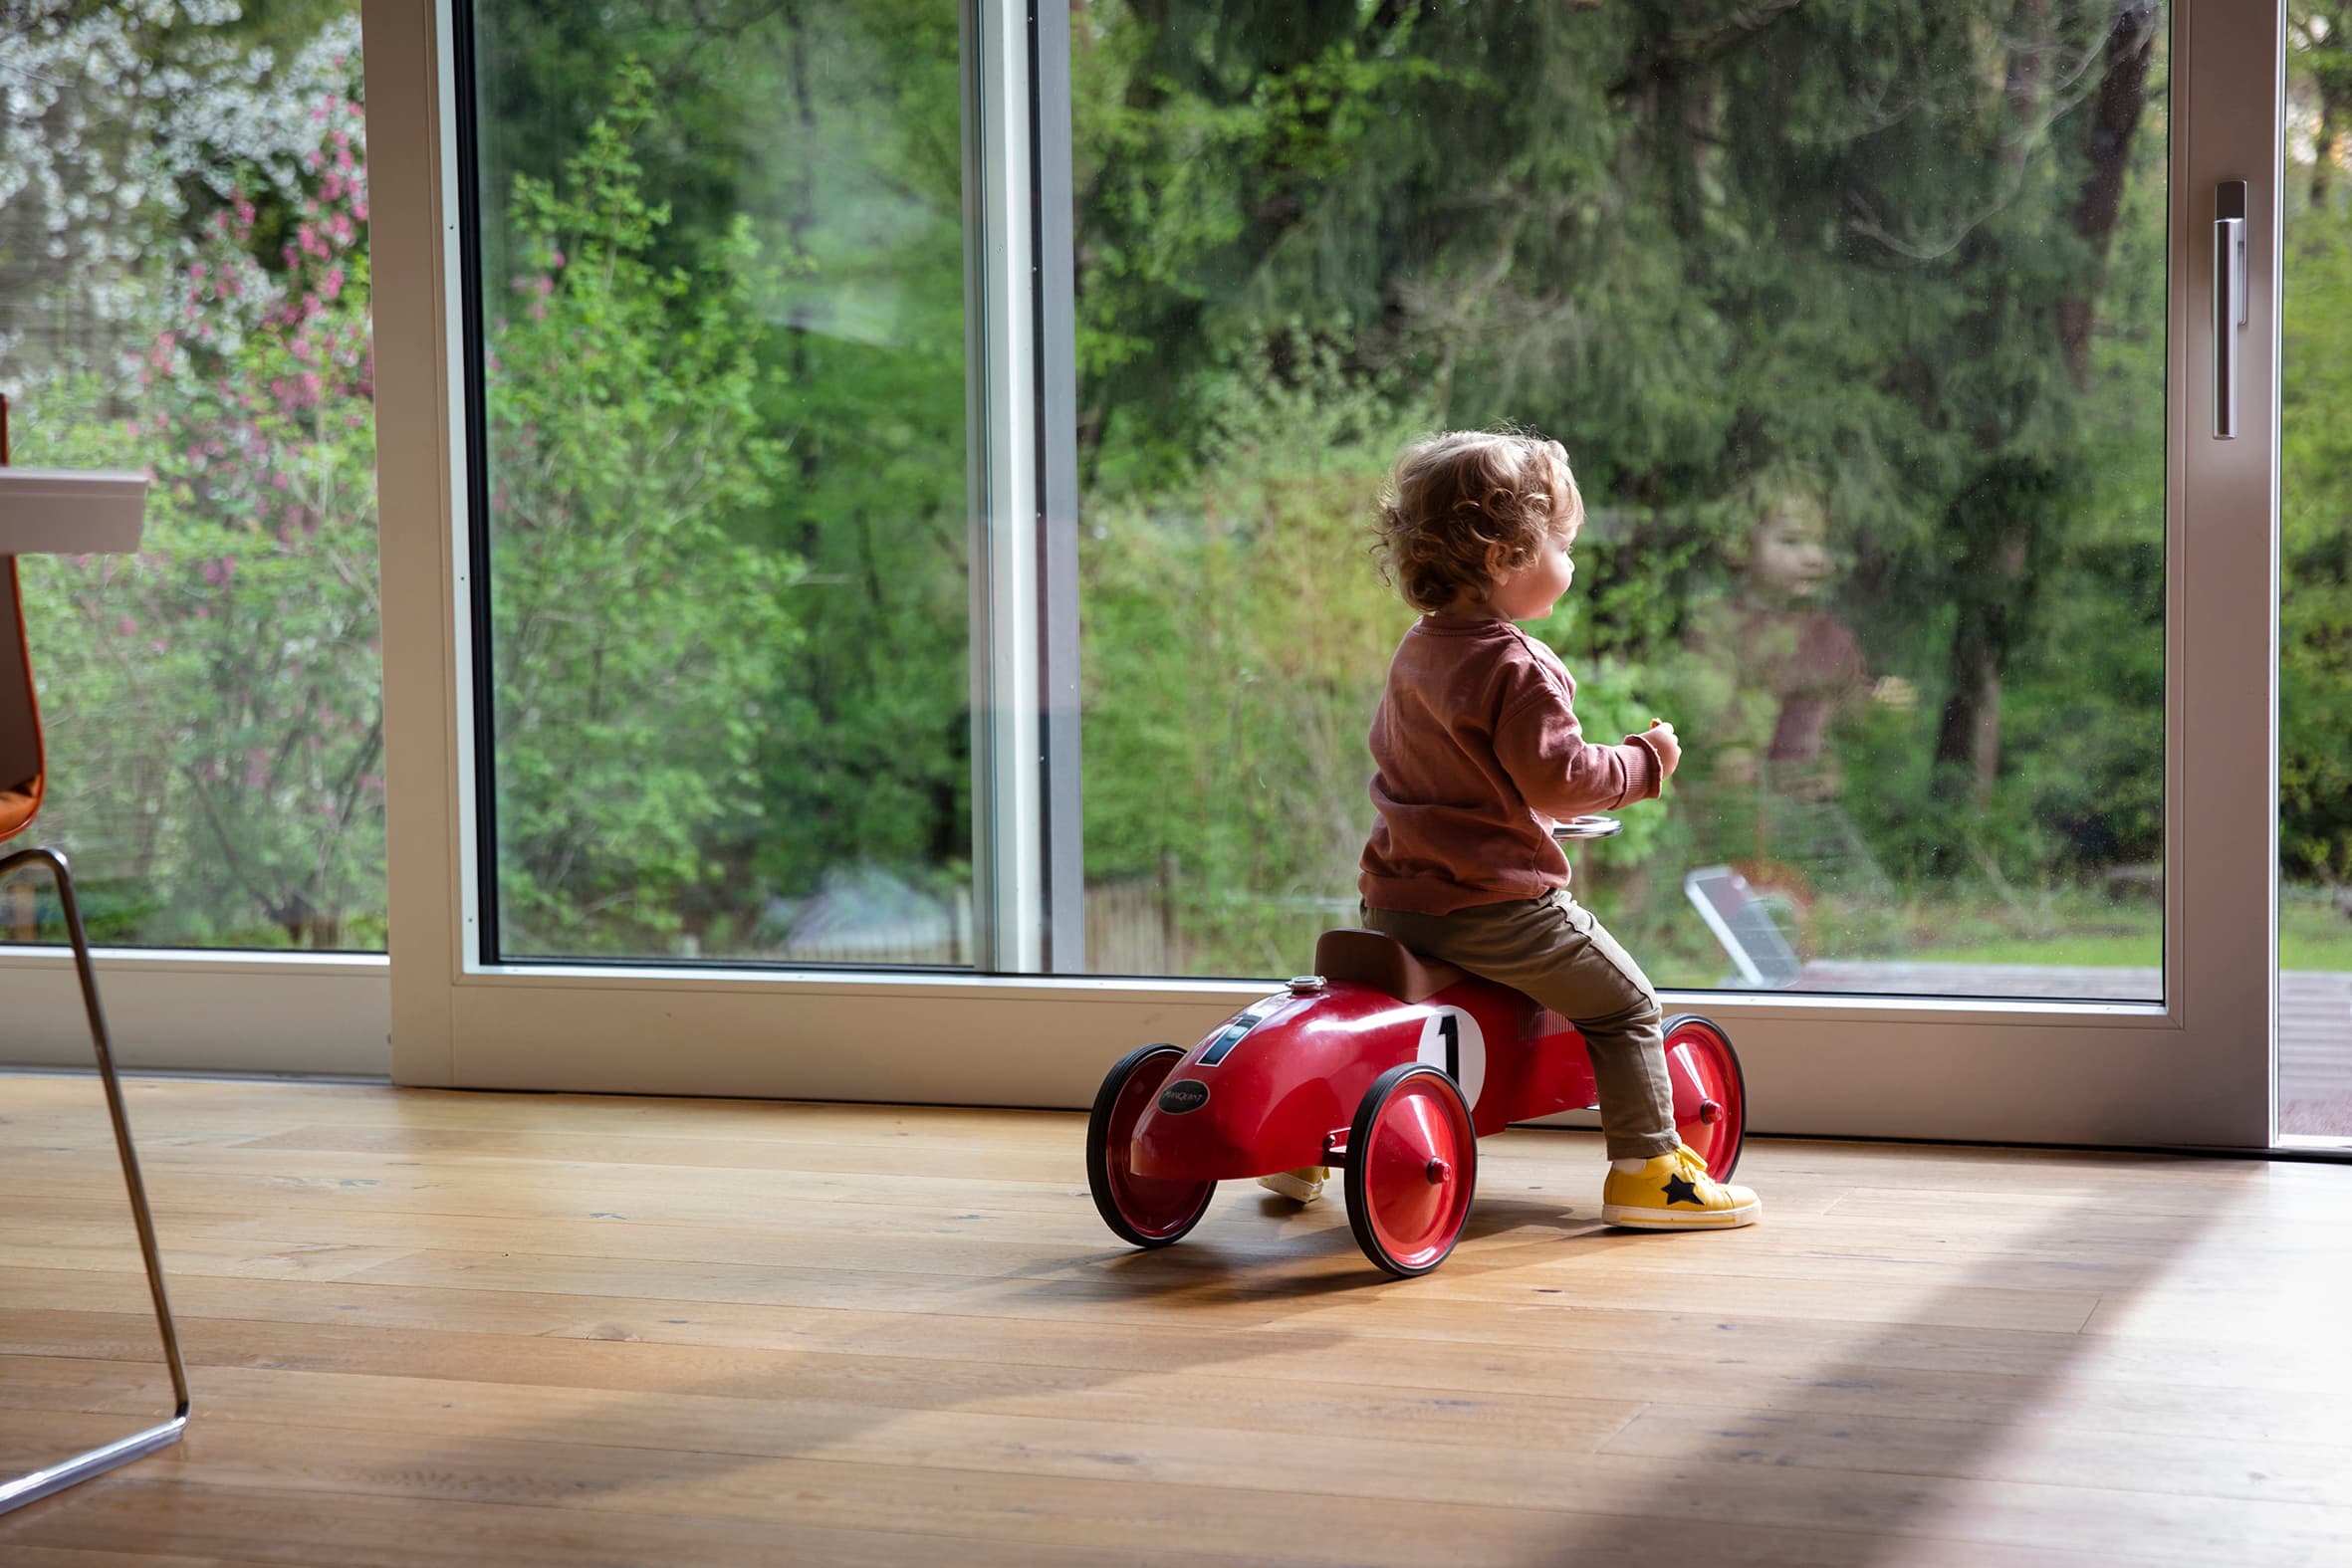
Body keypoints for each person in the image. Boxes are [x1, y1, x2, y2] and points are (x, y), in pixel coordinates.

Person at [1258, 429, 1761, 1230]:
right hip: (1496, 907)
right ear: (1505, 557)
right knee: (1628, 1002)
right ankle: (1649, 1168)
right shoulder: (1517, 666)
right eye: (1562, 544)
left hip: (1395, 900)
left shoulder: (1417, 652)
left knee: (1394, 1025)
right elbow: (1561, 780)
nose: (1571, 561)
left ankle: (1297, 1143)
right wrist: (1644, 762)